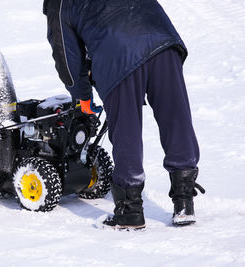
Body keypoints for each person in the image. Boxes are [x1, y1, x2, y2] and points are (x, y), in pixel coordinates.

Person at [43, 0, 205, 230]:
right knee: (175, 117)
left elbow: (67, 58)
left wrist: (82, 97)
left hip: (119, 54)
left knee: (126, 127)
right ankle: (184, 202)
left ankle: (130, 211)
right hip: (164, 40)